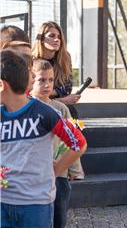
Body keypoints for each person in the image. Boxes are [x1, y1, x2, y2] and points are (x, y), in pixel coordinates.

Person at [0, 50, 87, 227]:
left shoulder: (44, 112)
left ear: (1, 85)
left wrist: (55, 170)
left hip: (36, 204)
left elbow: (78, 143)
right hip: (3, 202)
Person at [31, 58, 84, 228]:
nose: (47, 85)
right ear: (31, 80)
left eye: (51, 80)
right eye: (41, 80)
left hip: (59, 173)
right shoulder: (26, 108)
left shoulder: (61, 108)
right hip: (34, 173)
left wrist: (75, 169)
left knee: (59, 215)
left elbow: (74, 141)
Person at [32, 21, 80, 117]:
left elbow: (67, 88)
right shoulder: (31, 59)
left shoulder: (65, 57)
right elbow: (30, 93)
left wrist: (46, 91)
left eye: (59, 37)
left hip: (60, 104)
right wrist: (61, 98)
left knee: (70, 111)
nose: (56, 39)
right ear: (41, 39)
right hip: (36, 104)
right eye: (52, 36)